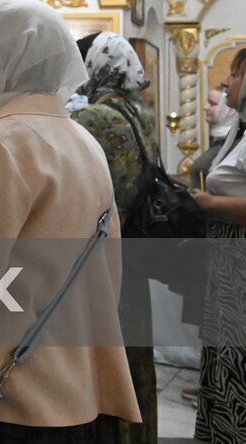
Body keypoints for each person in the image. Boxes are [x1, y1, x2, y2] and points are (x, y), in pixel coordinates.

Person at [0, 0, 141, 442]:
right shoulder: (83, 140)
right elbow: (108, 270)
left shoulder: (0, 144)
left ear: (3, 55)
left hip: (8, 392)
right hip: (72, 385)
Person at [70, 31, 156, 444]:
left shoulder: (94, 118)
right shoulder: (139, 111)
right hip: (132, 257)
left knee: (103, 365)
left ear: (96, 65)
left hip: (100, 261)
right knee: (133, 364)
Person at [190, 48, 246, 443]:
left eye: (235, 76)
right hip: (236, 267)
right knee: (228, 368)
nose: (227, 84)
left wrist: (210, 204)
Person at [189, 84, 239, 187]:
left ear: (227, 109)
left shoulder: (235, 142)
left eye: (212, 104)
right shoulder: (218, 141)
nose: (205, 107)